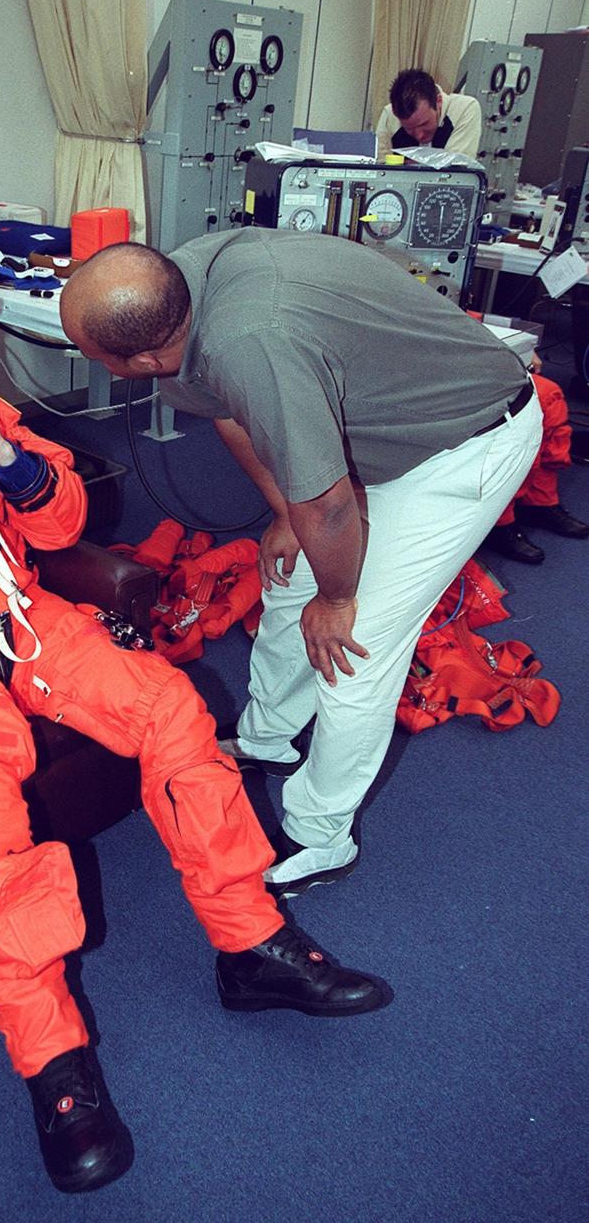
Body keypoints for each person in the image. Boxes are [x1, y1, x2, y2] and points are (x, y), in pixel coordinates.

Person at [0, 216, 387, 1195]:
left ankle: (250, 942)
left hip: (22, 621)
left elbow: (63, 520)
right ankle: (53, 1064)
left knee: (171, 708)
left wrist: (5, 459)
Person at [59, 229, 543, 898]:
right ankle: (268, 739)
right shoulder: (181, 293)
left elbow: (327, 501)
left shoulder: (248, 341)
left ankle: (321, 836)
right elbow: (234, 413)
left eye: (93, 356)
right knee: (289, 583)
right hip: (375, 430)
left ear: (141, 359)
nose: (94, 364)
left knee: (354, 647)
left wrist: (338, 600)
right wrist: (284, 515)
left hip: (463, 443)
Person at [482, 354, 588, 563]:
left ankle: (539, 501)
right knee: (514, 419)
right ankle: (499, 522)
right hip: (446, 371)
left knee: (548, 395)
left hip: (483, 358)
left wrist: (522, 351)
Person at [375, 68, 481, 161]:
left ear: (438, 101)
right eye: (409, 129)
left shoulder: (464, 109)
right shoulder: (390, 115)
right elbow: (379, 166)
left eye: (424, 124)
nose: (419, 135)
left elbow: (456, 168)